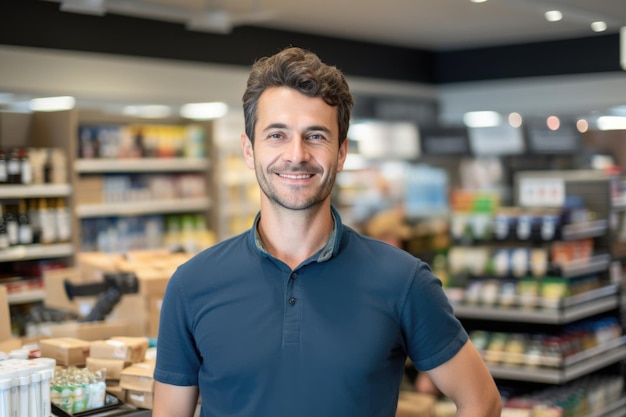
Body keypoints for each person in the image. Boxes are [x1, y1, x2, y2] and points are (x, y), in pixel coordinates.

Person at [152, 46, 501, 417]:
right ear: (249, 149)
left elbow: (482, 401)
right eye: (277, 135)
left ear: (341, 152)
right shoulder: (191, 284)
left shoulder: (402, 280)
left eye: (316, 136)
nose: (297, 154)